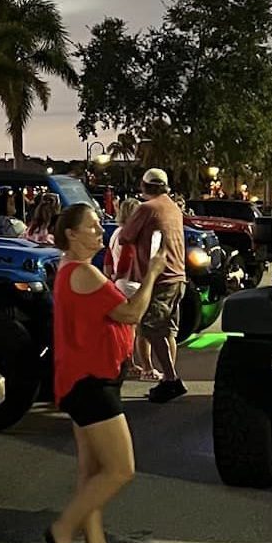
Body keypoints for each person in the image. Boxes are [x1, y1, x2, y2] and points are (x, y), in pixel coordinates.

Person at [44, 202, 161, 543]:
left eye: (99, 226)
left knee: (92, 471)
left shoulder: (69, 270)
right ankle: (62, 530)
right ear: (71, 235)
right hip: (91, 382)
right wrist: (154, 274)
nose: (100, 232)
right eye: (92, 227)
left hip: (82, 379)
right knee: (121, 469)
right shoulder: (84, 272)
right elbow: (130, 313)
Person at [115, 168, 188, 403]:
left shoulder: (147, 208)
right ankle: (169, 377)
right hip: (177, 276)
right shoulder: (173, 207)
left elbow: (125, 236)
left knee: (150, 327)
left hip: (160, 277)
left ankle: (171, 379)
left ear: (144, 186)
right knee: (166, 329)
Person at [105, 197, 158, 381]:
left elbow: (108, 260)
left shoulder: (115, 233)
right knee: (141, 328)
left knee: (127, 329)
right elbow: (127, 258)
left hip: (119, 284)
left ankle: (129, 362)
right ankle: (147, 367)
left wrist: (112, 279)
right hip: (131, 284)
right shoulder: (131, 236)